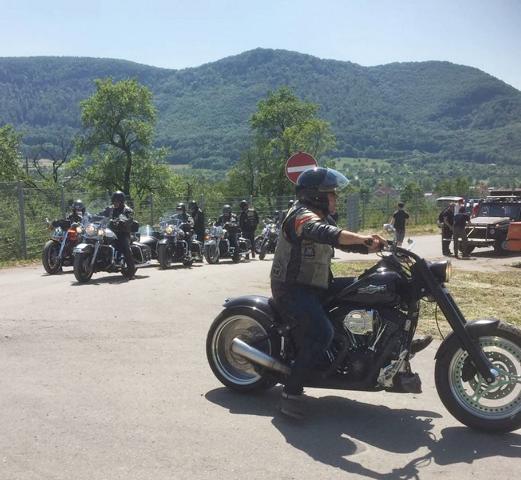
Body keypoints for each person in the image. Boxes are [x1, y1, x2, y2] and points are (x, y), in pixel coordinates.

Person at [270, 167, 432, 419]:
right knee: (321, 334)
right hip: (292, 288)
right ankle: (291, 393)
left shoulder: (323, 218)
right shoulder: (301, 216)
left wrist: (375, 247)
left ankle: (395, 345)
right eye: (331, 193)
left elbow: (343, 244)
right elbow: (324, 233)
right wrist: (361, 237)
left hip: (318, 284)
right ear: (316, 195)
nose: (336, 197)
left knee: (371, 288)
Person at [99, 191, 135, 275]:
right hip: (109, 231)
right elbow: (101, 214)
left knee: (125, 248)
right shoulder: (110, 209)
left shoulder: (127, 210)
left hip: (123, 233)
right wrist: (92, 217)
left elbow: (130, 218)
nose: (115, 203)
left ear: (121, 202)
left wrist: (124, 221)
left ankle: (131, 270)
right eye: (114, 201)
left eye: (117, 201)